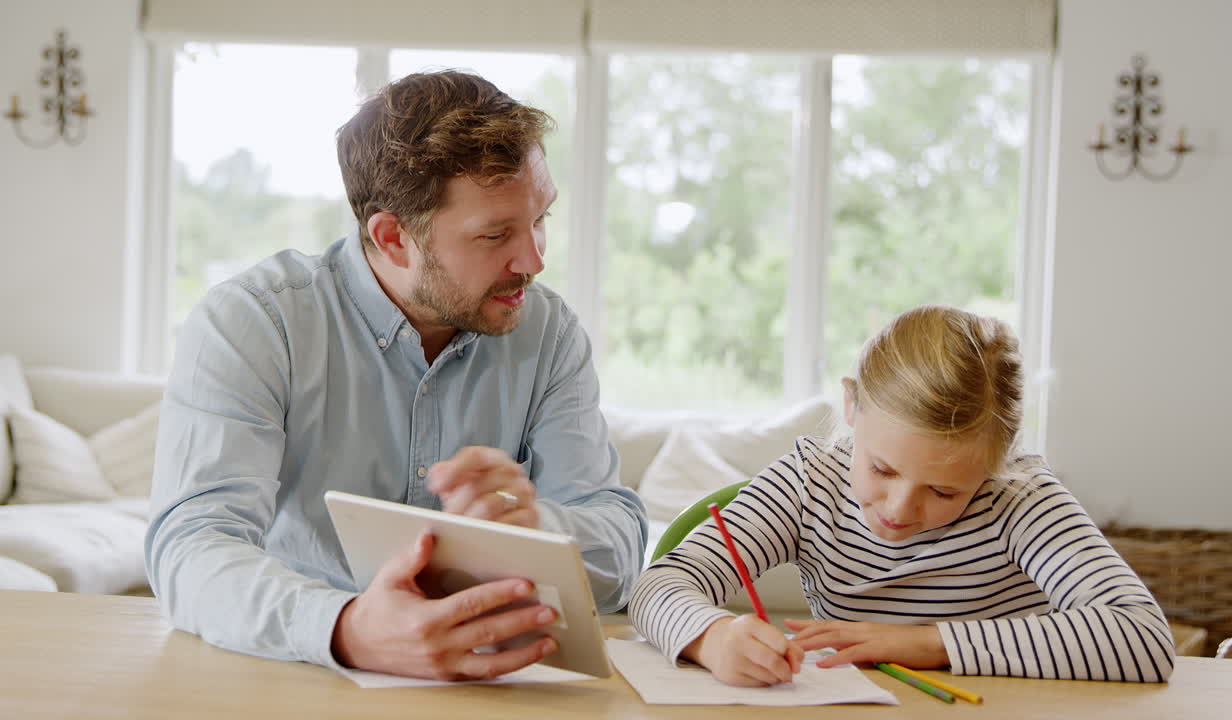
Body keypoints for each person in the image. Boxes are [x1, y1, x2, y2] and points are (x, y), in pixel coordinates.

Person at [146, 70, 647, 681]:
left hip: (504, 683)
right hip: (299, 673)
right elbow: (191, 547)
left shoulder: (549, 334)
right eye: (496, 235)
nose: (535, 260)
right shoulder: (255, 322)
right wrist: (347, 627)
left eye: (540, 218)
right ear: (392, 237)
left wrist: (538, 525)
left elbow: (620, 551)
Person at [629, 305, 1175, 686]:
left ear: (1000, 460)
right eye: (882, 469)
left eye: (943, 490)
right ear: (851, 408)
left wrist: (926, 644)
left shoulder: (1020, 500)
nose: (898, 509)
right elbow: (658, 586)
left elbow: (1144, 636)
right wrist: (712, 635)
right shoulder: (810, 481)